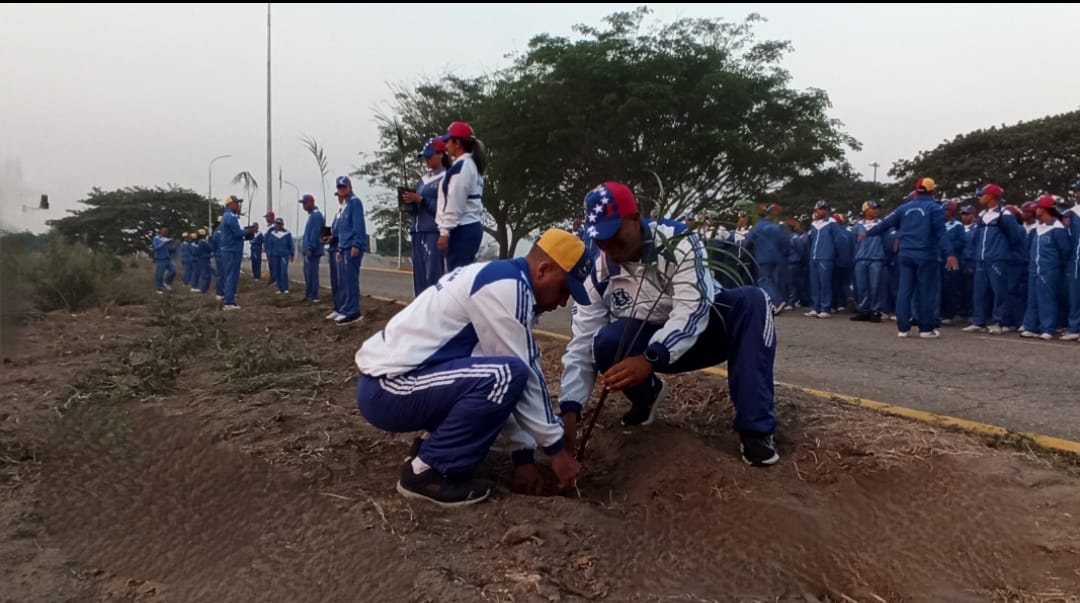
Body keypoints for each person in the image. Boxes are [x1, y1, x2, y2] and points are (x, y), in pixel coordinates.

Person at [353, 228, 590, 506]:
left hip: (394, 385)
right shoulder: (507, 287)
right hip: (388, 388)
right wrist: (557, 450)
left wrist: (523, 456)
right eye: (564, 289)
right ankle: (426, 472)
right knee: (505, 375)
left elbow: (507, 382)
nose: (562, 302)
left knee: (501, 375)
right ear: (543, 270)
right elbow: (520, 376)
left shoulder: (504, 279)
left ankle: (432, 448)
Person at [556, 182, 779, 467]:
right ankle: (646, 397)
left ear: (636, 219)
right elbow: (581, 345)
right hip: (647, 344)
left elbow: (693, 308)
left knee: (752, 301)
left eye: (613, 234)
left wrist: (651, 357)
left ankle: (756, 430)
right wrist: (570, 409)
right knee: (605, 342)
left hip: (709, 332)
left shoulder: (680, 241)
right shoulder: (597, 272)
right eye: (599, 238)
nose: (608, 246)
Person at [866, 178, 958, 338]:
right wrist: (949, 253)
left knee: (904, 290)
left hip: (906, 254)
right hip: (926, 254)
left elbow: (885, 223)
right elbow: (941, 233)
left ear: (916, 191)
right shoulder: (934, 208)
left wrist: (868, 233)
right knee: (926, 292)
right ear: (932, 191)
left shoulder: (904, 208)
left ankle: (903, 328)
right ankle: (926, 329)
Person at [962, 183, 1025, 335]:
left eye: (982, 194)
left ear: (991, 196)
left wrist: (1003, 252)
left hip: (998, 259)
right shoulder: (983, 215)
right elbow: (976, 238)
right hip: (981, 259)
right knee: (979, 291)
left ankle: (999, 321)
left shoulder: (1005, 215)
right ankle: (978, 321)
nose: (980, 197)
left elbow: (1015, 237)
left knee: (999, 291)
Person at [1020, 196, 1071, 340]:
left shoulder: (1057, 228)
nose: (1035, 210)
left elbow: (1065, 250)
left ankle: (1047, 328)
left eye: (1037, 207)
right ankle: (1030, 326)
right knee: (1032, 298)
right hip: (1034, 268)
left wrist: (1056, 266)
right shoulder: (1037, 228)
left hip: (1049, 268)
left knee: (1046, 298)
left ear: (1043, 209)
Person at [436, 121, 485, 270]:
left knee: (456, 279)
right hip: (469, 227)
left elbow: (455, 201)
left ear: (457, 143)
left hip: (462, 229)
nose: (446, 146)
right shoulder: (472, 164)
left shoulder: (462, 167)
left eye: (448, 141)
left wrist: (445, 231)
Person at [402, 137, 448, 295]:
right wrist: (410, 204)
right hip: (417, 231)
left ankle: (437, 311)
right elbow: (419, 204)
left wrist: (422, 200)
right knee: (419, 277)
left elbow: (445, 207)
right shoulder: (423, 180)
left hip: (432, 232)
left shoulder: (446, 177)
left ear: (441, 154)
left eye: (430, 156)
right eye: (425, 157)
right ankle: (422, 312)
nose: (427, 160)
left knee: (433, 275)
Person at [334, 176, 367, 324]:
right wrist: (340, 249)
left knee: (351, 280)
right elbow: (341, 230)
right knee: (344, 281)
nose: (342, 190)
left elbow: (358, 225)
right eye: (339, 188)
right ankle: (346, 308)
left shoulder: (355, 203)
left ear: (349, 187)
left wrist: (356, 244)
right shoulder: (344, 206)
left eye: (344, 187)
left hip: (352, 247)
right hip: (344, 247)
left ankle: (353, 311)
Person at [745, 203, 789, 313]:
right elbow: (786, 242)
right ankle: (779, 299)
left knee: (764, 280)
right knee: (774, 281)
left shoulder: (758, 226)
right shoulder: (778, 227)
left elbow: (748, 242)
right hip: (777, 258)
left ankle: (775, 302)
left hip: (762, 257)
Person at [851, 201, 885, 322]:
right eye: (872, 208)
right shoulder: (857, 225)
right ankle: (864, 310)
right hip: (861, 259)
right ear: (865, 210)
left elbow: (886, 241)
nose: (875, 210)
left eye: (876, 209)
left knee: (875, 286)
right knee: (862, 286)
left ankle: (875, 311)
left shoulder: (882, 224)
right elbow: (854, 242)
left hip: (876, 259)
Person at [806, 200, 840, 318]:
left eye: (824, 208)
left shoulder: (831, 222)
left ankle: (825, 308)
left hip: (825, 257)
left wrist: (834, 254)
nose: (823, 210)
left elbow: (838, 240)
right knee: (814, 283)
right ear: (816, 210)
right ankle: (816, 307)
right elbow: (810, 240)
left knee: (825, 283)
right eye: (820, 208)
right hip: (813, 257)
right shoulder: (814, 224)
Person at [940, 200, 967, 324]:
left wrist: (948, 248)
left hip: (951, 260)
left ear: (951, 211)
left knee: (950, 287)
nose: (944, 212)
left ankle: (949, 314)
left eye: (947, 210)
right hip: (938, 260)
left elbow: (962, 242)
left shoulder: (957, 226)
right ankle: (939, 312)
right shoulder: (939, 224)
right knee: (939, 287)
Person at [219, 195, 246, 310]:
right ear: (230, 204)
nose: (238, 205)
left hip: (231, 249)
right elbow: (237, 233)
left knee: (232, 275)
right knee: (231, 275)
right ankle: (228, 302)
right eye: (236, 203)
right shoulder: (230, 216)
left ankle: (229, 299)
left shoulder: (229, 216)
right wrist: (247, 231)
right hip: (231, 250)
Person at [323, 190, 347, 321]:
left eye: (341, 195)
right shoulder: (338, 212)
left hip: (340, 248)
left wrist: (335, 237)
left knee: (341, 281)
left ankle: (344, 308)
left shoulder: (347, 210)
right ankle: (337, 307)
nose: (339, 198)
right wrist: (330, 237)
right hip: (333, 248)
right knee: (335, 281)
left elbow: (345, 230)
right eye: (338, 195)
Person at [299, 194, 325, 303]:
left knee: (312, 273)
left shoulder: (316, 215)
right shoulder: (311, 216)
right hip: (308, 250)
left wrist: (310, 248)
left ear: (311, 203)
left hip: (313, 251)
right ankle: (309, 294)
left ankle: (314, 296)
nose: (303, 206)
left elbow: (315, 234)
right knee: (307, 273)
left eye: (305, 203)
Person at [1064, 180, 1080, 342]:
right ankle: (1074, 328)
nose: (1077, 193)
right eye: (1076, 190)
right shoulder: (1070, 213)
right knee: (1074, 293)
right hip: (1075, 259)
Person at [267, 217, 294, 294]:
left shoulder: (287, 234)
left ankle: (285, 288)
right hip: (275, 255)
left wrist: (292, 254)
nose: (278, 225)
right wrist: (270, 254)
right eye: (277, 224)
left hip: (284, 255)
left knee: (283, 271)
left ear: (282, 224)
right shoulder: (273, 234)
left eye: (279, 224)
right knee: (277, 271)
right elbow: (270, 245)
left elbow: (290, 244)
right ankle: (279, 288)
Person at [152, 226, 177, 294]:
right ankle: (159, 289)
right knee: (159, 274)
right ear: (160, 231)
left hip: (167, 258)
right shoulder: (156, 238)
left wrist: (173, 245)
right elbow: (155, 248)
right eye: (164, 231)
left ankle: (167, 283)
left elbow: (170, 250)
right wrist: (163, 243)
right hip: (160, 259)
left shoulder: (166, 239)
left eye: (166, 231)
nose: (165, 232)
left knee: (173, 271)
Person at [193, 228, 214, 294]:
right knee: (206, 275)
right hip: (204, 259)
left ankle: (203, 289)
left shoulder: (198, 242)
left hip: (202, 259)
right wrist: (210, 241)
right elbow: (211, 248)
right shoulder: (203, 242)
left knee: (204, 275)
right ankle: (204, 290)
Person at [263, 211, 278, 287]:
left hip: (272, 250)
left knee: (274, 265)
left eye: (267, 217)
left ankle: (275, 279)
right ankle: (272, 279)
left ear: (272, 217)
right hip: (268, 250)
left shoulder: (274, 227)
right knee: (271, 265)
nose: (266, 219)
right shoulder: (269, 227)